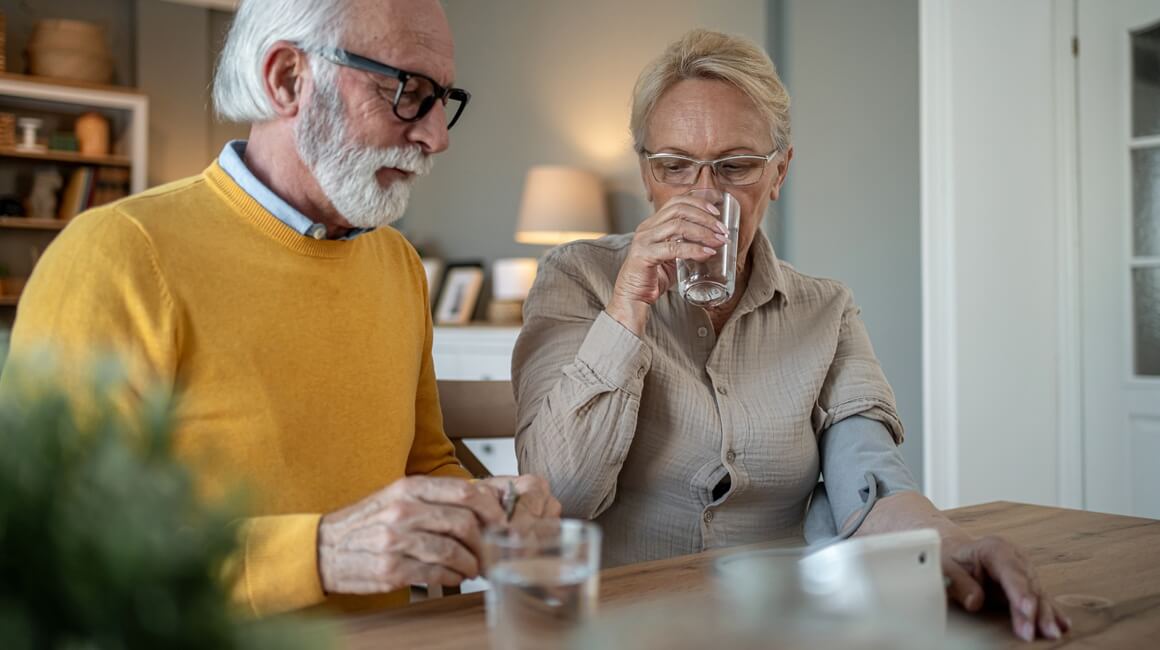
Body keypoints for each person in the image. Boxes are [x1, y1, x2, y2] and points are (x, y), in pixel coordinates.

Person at [2, 0, 558, 617]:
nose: (437, 135)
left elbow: (423, 464)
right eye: (407, 91)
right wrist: (319, 553)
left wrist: (489, 509)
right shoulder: (116, 255)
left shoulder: (397, 265)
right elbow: (60, 549)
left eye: (443, 100)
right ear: (287, 78)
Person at [513, 29, 1067, 642]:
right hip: (614, 626)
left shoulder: (825, 308)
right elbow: (558, 497)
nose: (704, 193)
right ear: (647, 175)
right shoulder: (577, 278)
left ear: (778, 172)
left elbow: (869, 476)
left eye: (737, 166)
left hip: (772, 625)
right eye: (674, 166)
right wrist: (626, 310)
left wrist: (956, 544)